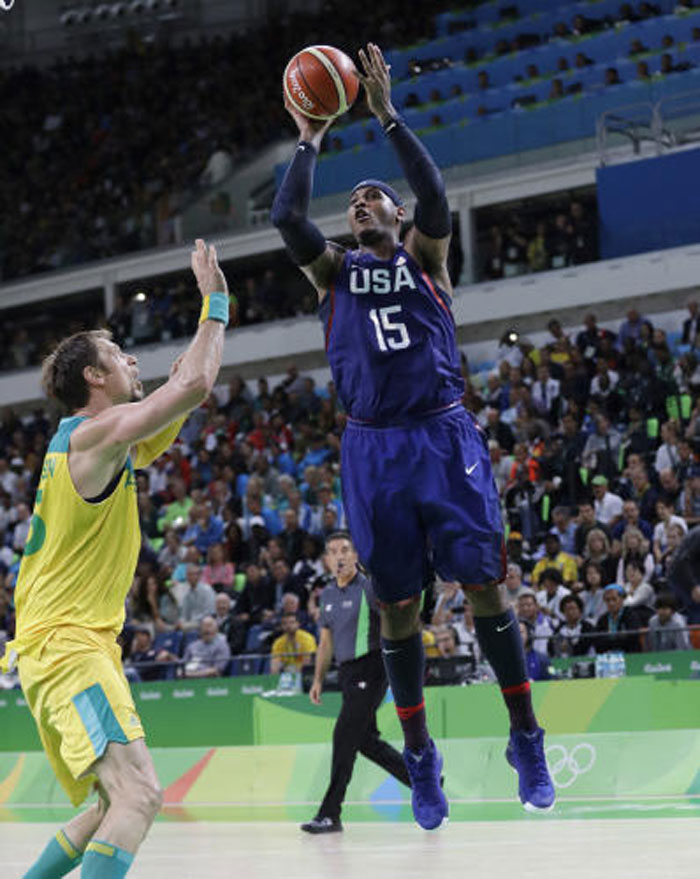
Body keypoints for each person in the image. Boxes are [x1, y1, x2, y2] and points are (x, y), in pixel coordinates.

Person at [271, 42, 554, 826]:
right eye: (354, 200)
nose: (360, 203)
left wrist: (388, 119)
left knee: (486, 583)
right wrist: (311, 134)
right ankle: (421, 758)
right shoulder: (332, 271)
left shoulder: (428, 255)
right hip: (371, 446)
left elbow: (434, 194)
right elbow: (286, 215)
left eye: (374, 198)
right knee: (398, 609)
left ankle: (525, 735)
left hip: (440, 431)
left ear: (396, 215)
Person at [0, 239, 229, 879]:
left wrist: (204, 324)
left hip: (68, 647)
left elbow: (189, 383)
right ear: (94, 379)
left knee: (108, 804)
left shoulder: (102, 444)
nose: (132, 360)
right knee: (139, 796)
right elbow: (194, 382)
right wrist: (217, 298)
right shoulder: (95, 436)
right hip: (68, 646)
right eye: (117, 356)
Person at [301, 531, 411, 834]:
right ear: (326, 559)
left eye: (345, 550)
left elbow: (393, 621)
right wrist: (318, 679)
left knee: (344, 737)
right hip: (348, 674)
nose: (339, 556)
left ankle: (330, 814)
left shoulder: (369, 588)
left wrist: (398, 661)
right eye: (333, 551)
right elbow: (326, 643)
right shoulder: (327, 596)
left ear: (355, 555)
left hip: (373, 667)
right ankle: (424, 781)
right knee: (364, 740)